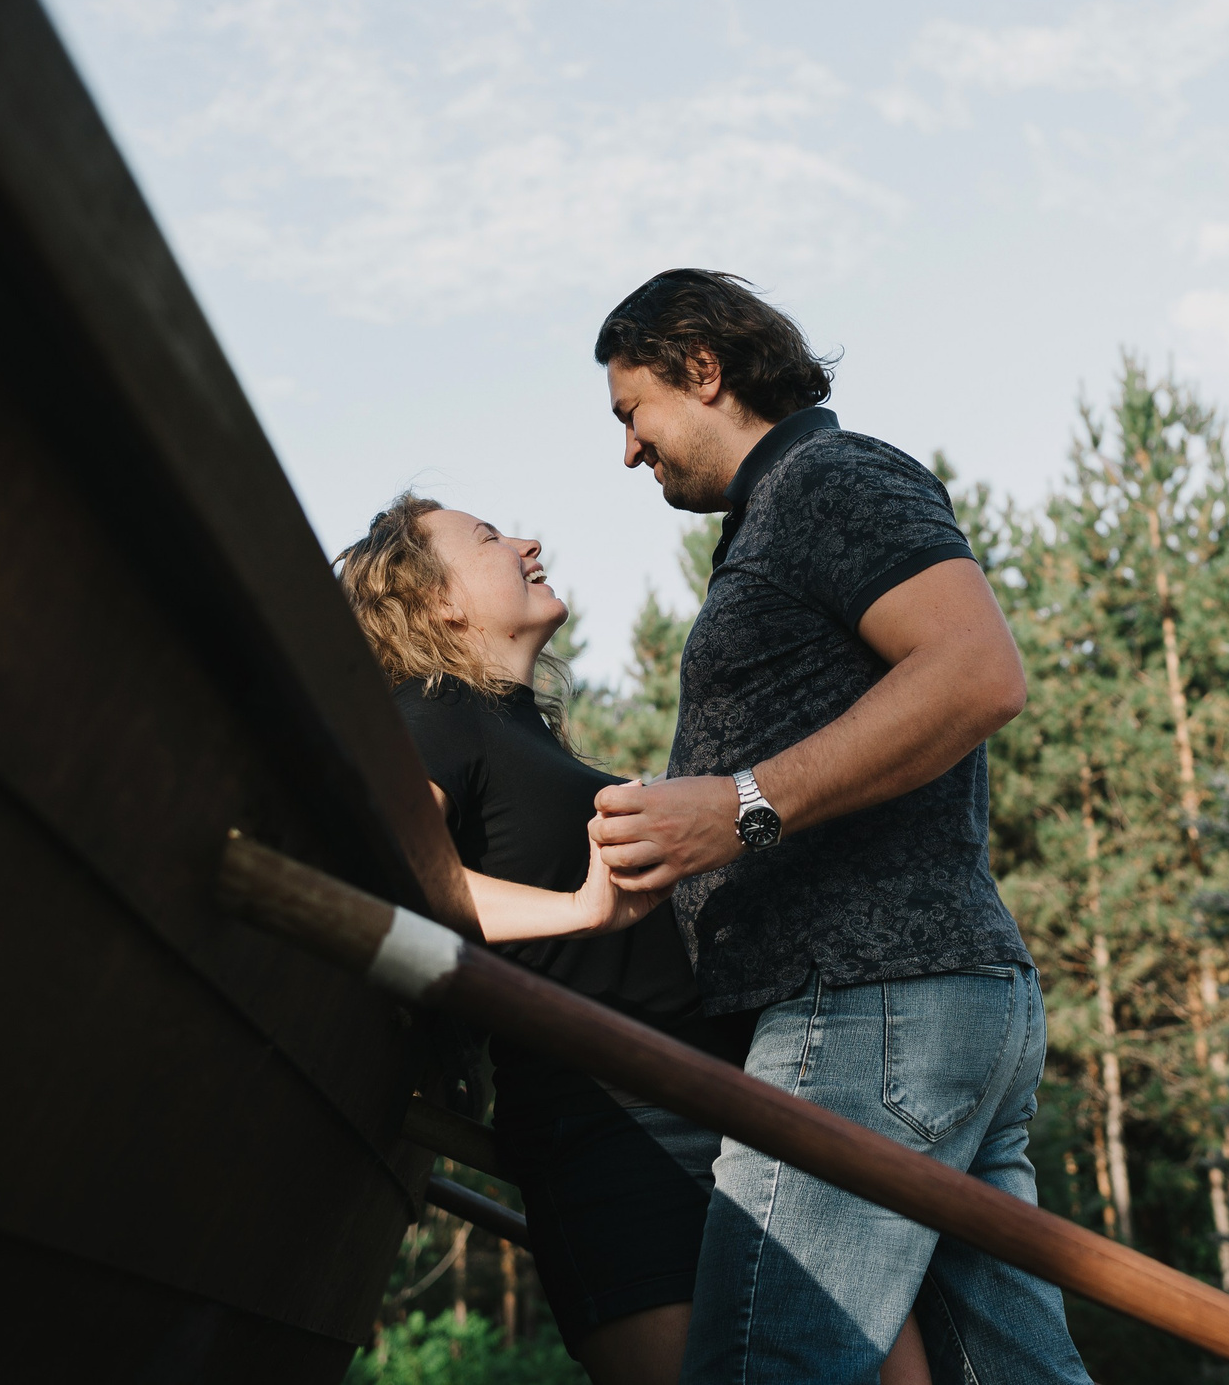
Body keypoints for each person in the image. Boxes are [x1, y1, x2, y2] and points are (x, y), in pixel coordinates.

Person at [586, 271, 1093, 1385]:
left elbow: (977, 670)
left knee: (760, 1368)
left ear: (702, 368)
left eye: (632, 412)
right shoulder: (785, 507)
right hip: (925, 1003)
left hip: (870, 1009)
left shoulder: (827, 477)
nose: (628, 450)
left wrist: (740, 804)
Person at [336, 494, 929, 1385]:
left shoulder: (519, 730)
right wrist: (582, 907)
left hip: (744, 1108)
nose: (530, 539)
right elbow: (392, 874)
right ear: (434, 600)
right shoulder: (432, 712)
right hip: (614, 1135)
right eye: (490, 538)